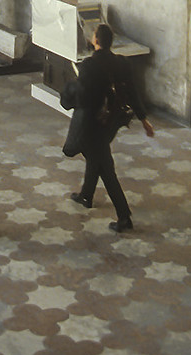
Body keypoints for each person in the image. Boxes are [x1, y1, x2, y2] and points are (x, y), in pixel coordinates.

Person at [63, 24, 154, 233]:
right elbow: (132, 91)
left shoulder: (88, 66)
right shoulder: (122, 63)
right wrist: (144, 119)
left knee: (105, 167)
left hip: (93, 123)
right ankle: (86, 194)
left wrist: (68, 92)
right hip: (112, 121)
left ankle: (124, 216)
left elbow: (80, 98)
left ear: (96, 40)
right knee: (95, 155)